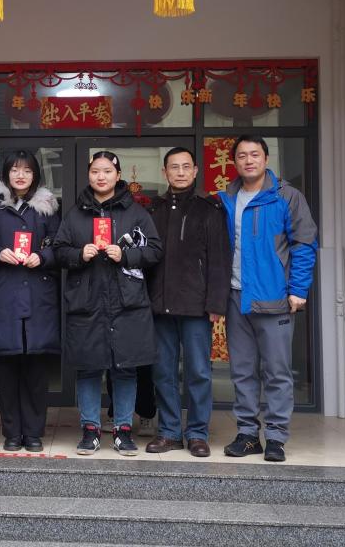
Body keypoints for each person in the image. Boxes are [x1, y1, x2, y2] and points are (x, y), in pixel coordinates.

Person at [53, 151, 163, 456]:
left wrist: (126, 255)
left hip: (127, 302)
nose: (100, 177)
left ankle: (122, 430)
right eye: (95, 171)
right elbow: (59, 251)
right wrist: (79, 254)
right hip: (87, 302)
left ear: (118, 175)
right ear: (89, 175)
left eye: (107, 171)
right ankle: (90, 429)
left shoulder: (136, 212)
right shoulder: (76, 214)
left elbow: (155, 250)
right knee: (89, 368)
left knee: (125, 368)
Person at [218, 135, 318, 462]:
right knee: (242, 371)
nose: (249, 160)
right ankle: (248, 434)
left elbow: (304, 243)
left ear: (265, 158)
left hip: (274, 297)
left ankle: (276, 437)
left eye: (254, 154)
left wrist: (298, 289)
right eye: (242, 155)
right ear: (234, 161)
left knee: (277, 371)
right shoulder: (226, 199)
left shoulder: (286, 196)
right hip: (236, 297)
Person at [145, 147, 230, 458]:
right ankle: (169, 432)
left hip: (196, 306)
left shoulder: (209, 209)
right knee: (163, 372)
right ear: (165, 172)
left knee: (198, 372)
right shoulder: (153, 210)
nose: (180, 172)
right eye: (174, 167)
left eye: (185, 167)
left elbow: (219, 260)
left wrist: (216, 304)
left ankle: (197, 433)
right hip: (160, 305)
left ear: (195, 171)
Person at [0, 150, 61, 452]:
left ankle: (34, 432)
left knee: (36, 371)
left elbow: (61, 245)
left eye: (26, 170)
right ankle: (12, 432)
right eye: (14, 170)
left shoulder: (48, 209)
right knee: (7, 370)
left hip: (38, 295)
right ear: (6, 174)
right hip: (5, 295)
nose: (20, 175)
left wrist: (43, 256)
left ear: (35, 175)